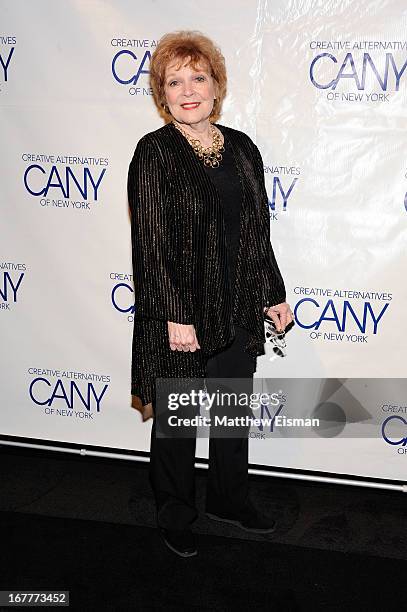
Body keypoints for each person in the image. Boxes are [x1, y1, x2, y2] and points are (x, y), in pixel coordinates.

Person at [127, 30, 294, 558]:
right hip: (180, 311)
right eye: (174, 82)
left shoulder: (243, 148)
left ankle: (228, 498)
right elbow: (149, 246)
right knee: (177, 421)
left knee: (229, 413)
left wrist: (272, 292)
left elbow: (255, 231)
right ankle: (174, 509)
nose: (187, 90)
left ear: (217, 87)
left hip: (238, 305)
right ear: (162, 95)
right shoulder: (154, 153)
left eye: (198, 78)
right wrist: (175, 315)